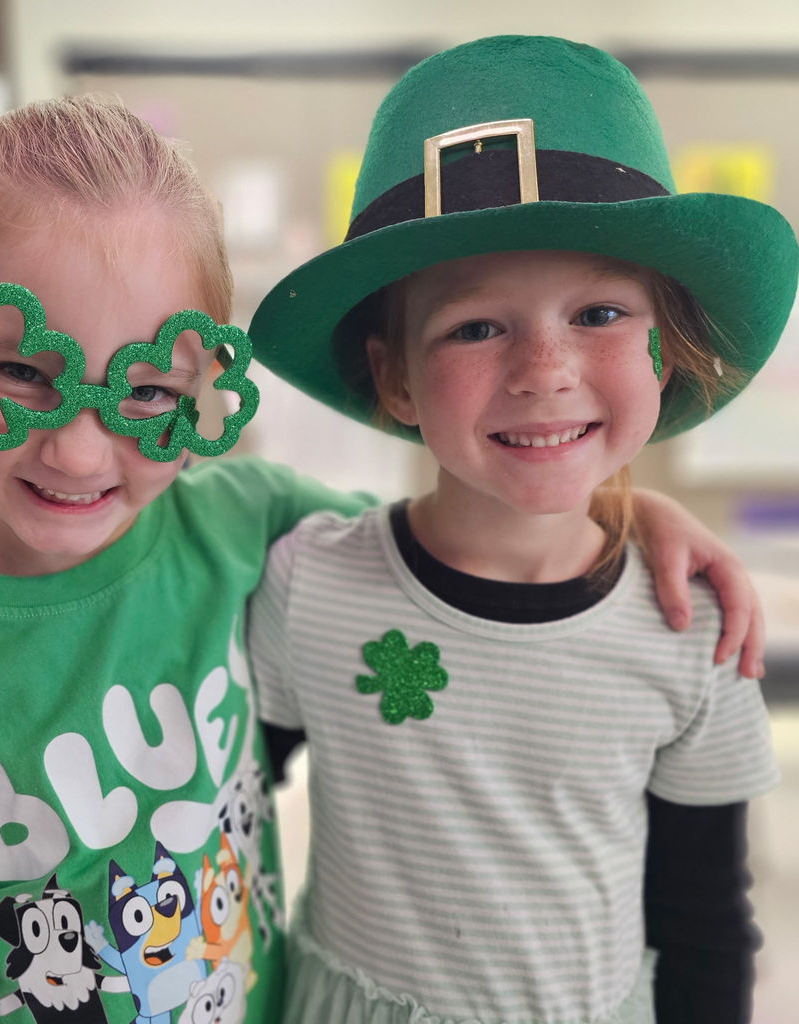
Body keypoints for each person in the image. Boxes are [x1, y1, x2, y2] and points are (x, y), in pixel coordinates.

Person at [0, 91, 768, 1024]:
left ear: (204, 378)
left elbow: (468, 526)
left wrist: (629, 512)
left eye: (143, 389)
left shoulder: (245, 521)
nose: (78, 452)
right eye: (18, 370)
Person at [245, 35, 797, 1024]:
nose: (545, 368)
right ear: (395, 377)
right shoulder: (309, 587)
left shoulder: (694, 625)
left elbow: (706, 919)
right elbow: (205, 806)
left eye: (596, 310)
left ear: (664, 352)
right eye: (474, 326)